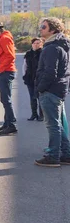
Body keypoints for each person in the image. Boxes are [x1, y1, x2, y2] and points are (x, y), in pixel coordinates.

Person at [34, 17, 70, 167]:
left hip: (51, 91)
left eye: (43, 26)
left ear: (53, 30)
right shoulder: (59, 45)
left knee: (53, 125)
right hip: (58, 89)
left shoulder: (52, 48)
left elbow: (50, 72)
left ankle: (53, 156)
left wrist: (40, 88)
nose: (41, 29)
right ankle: (66, 154)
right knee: (58, 124)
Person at [0, 21, 18, 135]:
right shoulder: (2, 38)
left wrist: (0, 68)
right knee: (5, 99)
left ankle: (11, 125)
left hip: (6, 71)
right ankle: (7, 124)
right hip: (5, 71)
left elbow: (10, 56)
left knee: (6, 100)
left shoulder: (5, 38)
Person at [23, 38, 44, 121]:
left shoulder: (43, 53)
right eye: (35, 43)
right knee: (32, 97)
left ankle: (41, 115)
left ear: (41, 44)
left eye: (38, 43)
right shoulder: (28, 54)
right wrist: (25, 76)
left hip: (40, 79)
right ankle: (34, 114)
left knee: (40, 97)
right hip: (30, 79)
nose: (36, 44)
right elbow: (24, 66)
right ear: (32, 44)